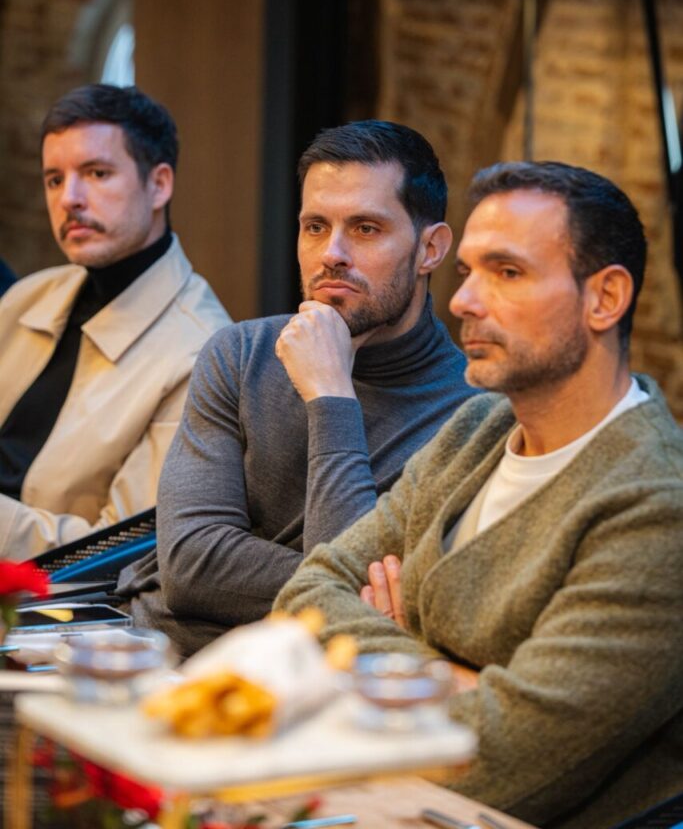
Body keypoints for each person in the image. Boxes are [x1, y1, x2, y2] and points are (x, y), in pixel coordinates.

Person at [275, 161, 683, 829]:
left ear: (603, 299)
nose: (462, 300)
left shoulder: (655, 507)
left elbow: (498, 765)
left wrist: (382, 651)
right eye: (465, 271)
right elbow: (303, 598)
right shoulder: (476, 428)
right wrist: (455, 677)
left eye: (507, 271)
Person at [119, 120, 477, 656]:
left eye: (365, 229)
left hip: (323, 697)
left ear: (430, 249)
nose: (332, 253)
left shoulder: (471, 413)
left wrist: (331, 395)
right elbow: (192, 565)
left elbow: (348, 611)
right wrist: (339, 586)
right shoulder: (240, 354)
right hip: (161, 659)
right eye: (315, 226)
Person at [0, 84, 229, 559]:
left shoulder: (202, 352)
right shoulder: (25, 300)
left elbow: (117, 558)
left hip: (51, 617)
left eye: (97, 173)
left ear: (159, 184)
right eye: (54, 179)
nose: (71, 199)